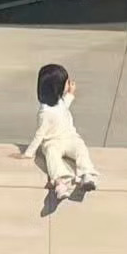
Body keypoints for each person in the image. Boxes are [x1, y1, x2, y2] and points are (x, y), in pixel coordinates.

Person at [21, 63, 98, 200]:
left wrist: (70, 94)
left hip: (70, 138)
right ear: (57, 87)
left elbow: (63, 107)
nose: (69, 83)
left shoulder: (59, 102)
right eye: (67, 82)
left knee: (81, 149)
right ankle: (60, 182)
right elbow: (39, 135)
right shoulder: (45, 113)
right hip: (53, 142)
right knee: (52, 157)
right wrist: (29, 153)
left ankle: (86, 174)